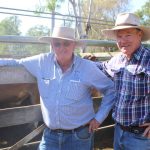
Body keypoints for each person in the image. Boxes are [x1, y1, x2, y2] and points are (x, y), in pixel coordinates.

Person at [0, 26, 115, 150]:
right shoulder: (42, 61)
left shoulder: (87, 67)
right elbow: (16, 62)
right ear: (52, 45)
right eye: (57, 44)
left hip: (79, 136)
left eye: (66, 43)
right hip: (50, 135)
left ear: (74, 45)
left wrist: (99, 118)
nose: (61, 48)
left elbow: (110, 89)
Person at [97, 12, 150, 150]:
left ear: (139, 35)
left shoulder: (148, 60)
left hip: (141, 137)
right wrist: (76, 62)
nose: (123, 40)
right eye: (119, 36)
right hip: (119, 131)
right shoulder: (117, 60)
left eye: (128, 35)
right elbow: (101, 67)